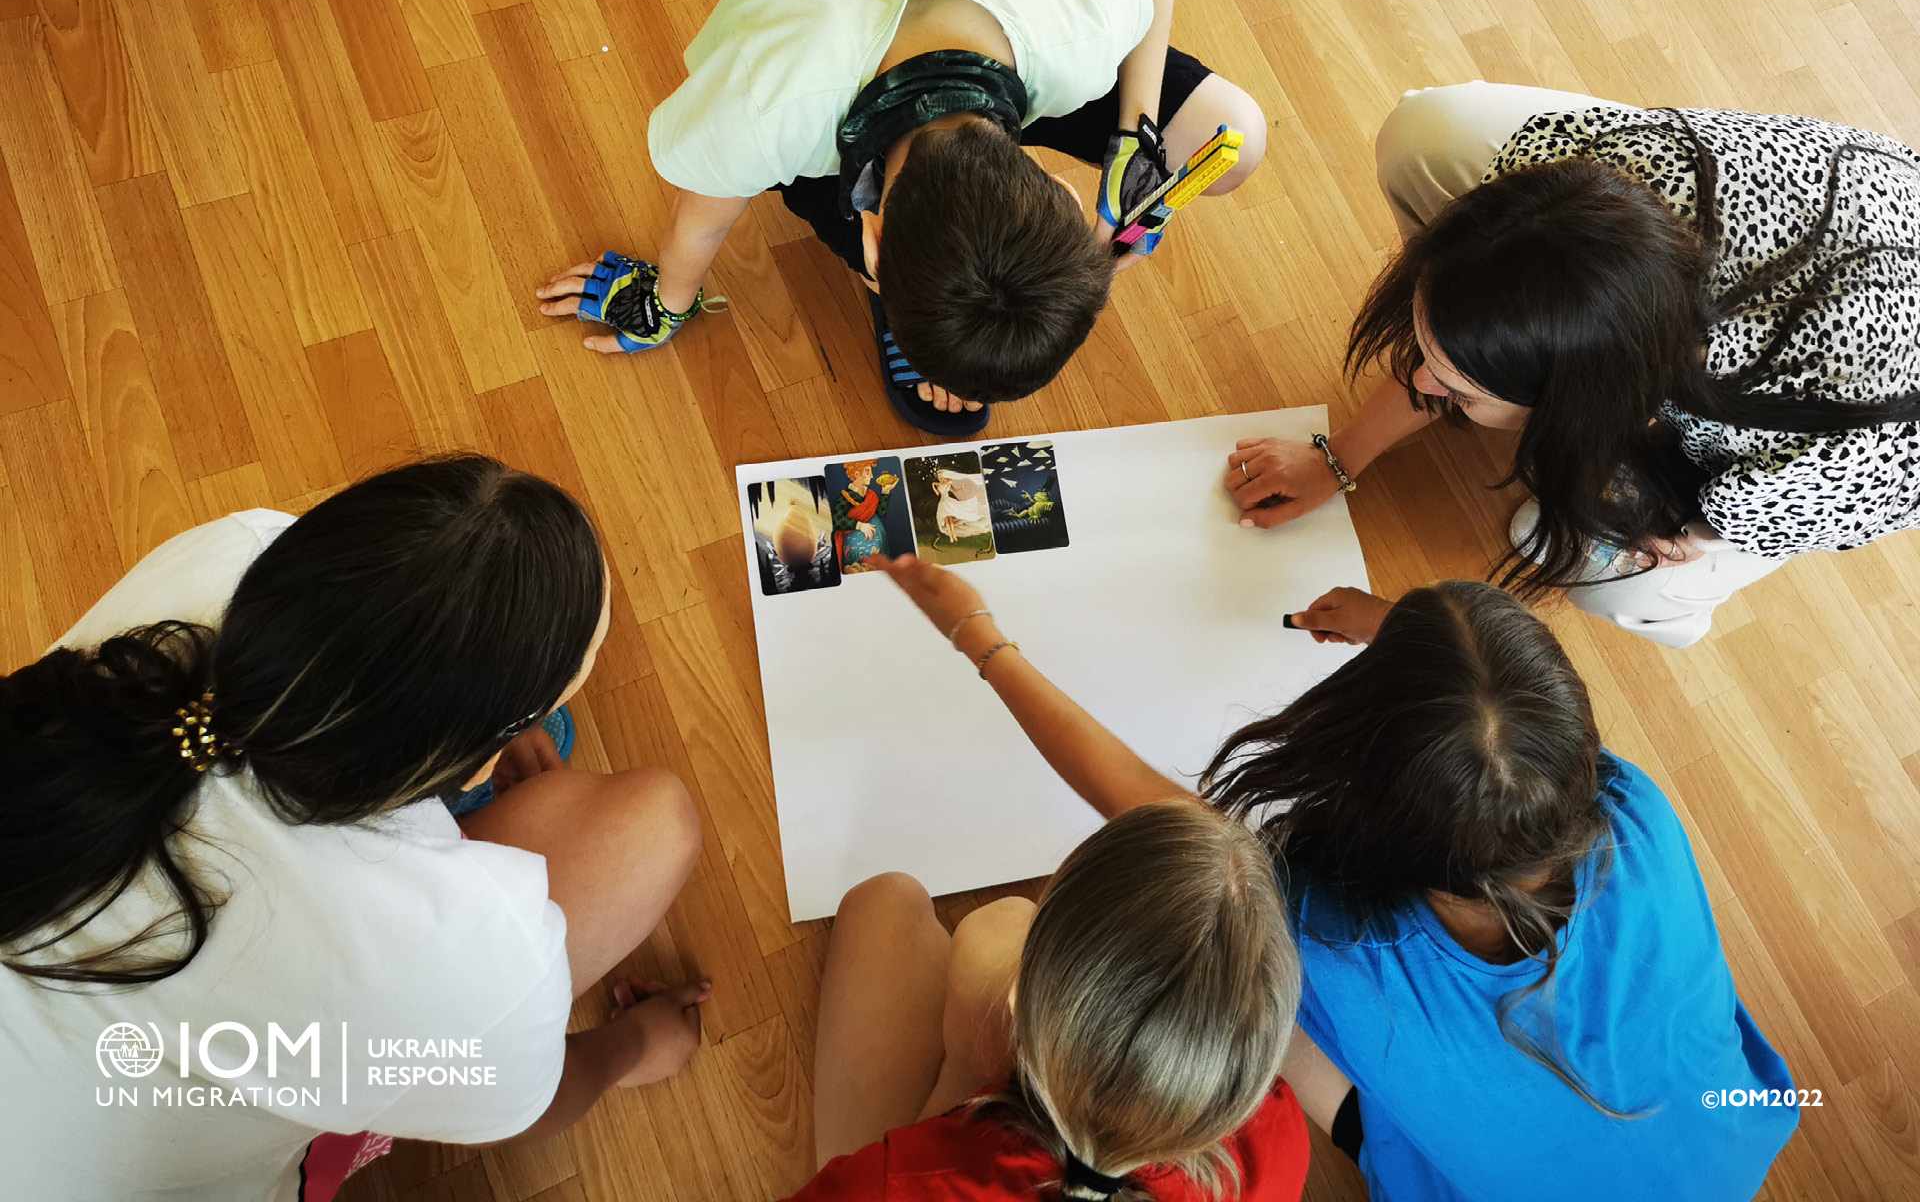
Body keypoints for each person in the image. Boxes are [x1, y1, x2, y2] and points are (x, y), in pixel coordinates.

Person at [871, 555, 1797, 1201]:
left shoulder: (1333, 938)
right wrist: (1395, 631)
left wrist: (978, 636)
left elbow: (1143, 807)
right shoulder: (1633, 806)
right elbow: (1503, 750)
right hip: (1728, 1143)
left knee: (1227, 966)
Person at [1, 458, 706, 1202]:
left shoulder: (238, 546)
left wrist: (470, 744)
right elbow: (513, 1106)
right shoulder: (456, 961)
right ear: (483, 749)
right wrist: (631, 1046)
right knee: (654, 826)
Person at [534, 0, 1266, 436]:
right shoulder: (767, 112)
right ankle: (932, 282)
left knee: (1236, 137)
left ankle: (936, 278)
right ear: (870, 244)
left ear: (1072, 203)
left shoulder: (1081, 33)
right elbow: (697, 223)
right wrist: (665, 300)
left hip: (996, 29)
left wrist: (1134, 137)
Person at [1225, 81, 1920, 646]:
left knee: (1604, 570)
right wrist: (1341, 457)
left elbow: (1708, 521)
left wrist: (1679, 531)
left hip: (1853, 423)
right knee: (1424, 135)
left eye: (1457, 386)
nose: (1420, 382)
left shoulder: (1822, 457)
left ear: (1581, 406)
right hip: (1825, 228)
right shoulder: (1589, 171)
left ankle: (1672, 605)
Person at [789, 799, 1309, 1201]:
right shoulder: (1279, 1135)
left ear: (1017, 1002)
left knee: (886, 903)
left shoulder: (893, 1184)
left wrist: (968, 1072)